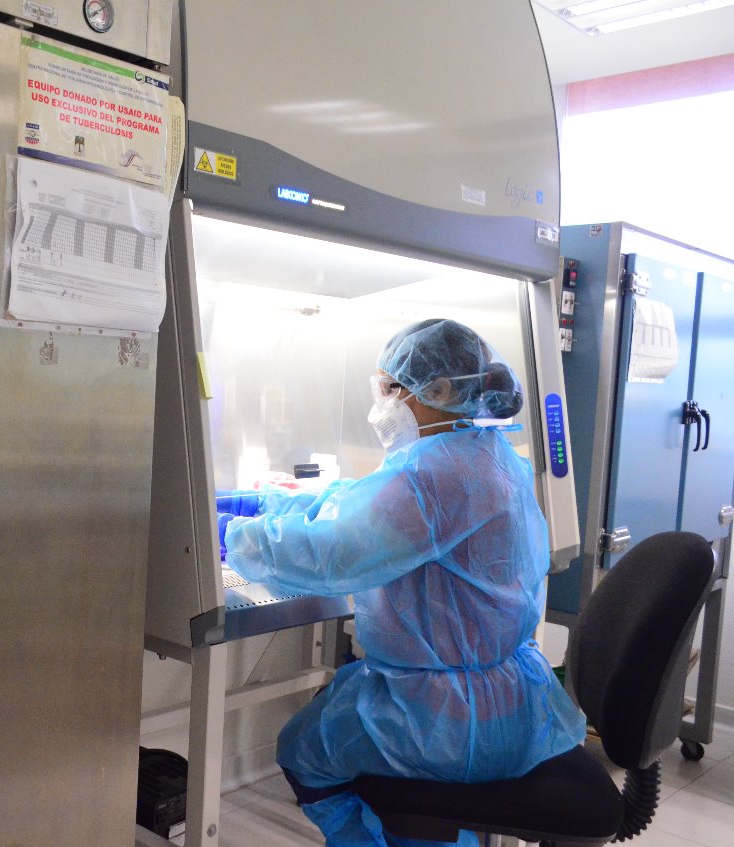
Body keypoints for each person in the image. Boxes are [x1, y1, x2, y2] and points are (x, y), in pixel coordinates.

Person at [220, 319, 586, 847]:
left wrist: (232, 535)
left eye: (393, 388)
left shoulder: (432, 476)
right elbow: (364, 502)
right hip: (511, 699)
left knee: (303, 750)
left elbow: (333, 556)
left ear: (440, 390)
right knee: (335, 724)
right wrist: (271, 504)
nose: (383, 404)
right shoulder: (486, 453)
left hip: (449, 721)